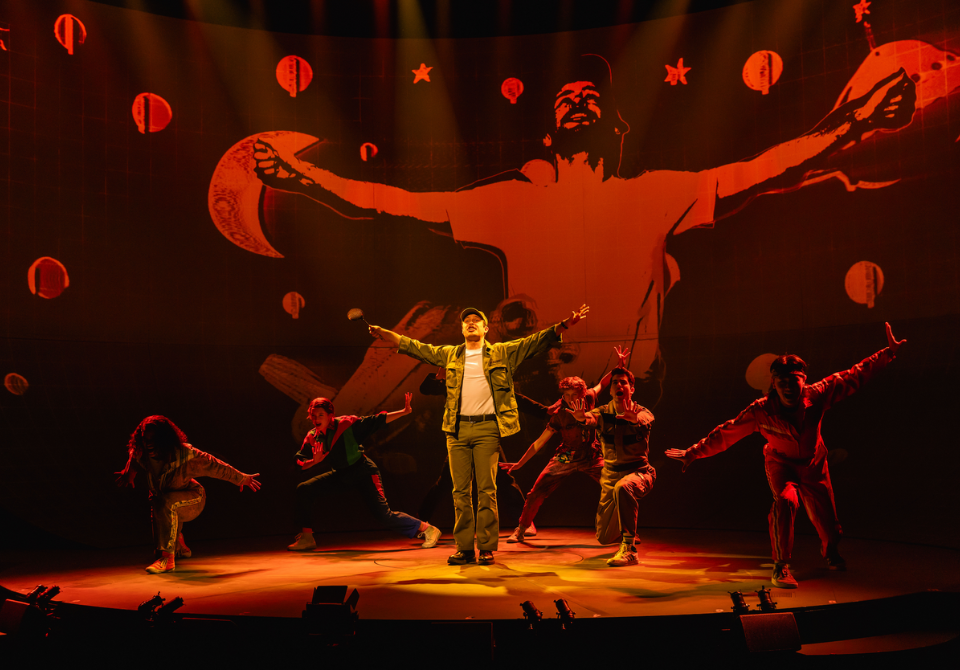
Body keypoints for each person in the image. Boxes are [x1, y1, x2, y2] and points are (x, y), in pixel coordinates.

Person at [251, 54, 916, 390]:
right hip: (538, 385)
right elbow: (389, 202)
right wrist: (305, 179)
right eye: (566, 97)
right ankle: (354, 411)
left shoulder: (655, 193)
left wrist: (855, 123)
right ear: (550, 130)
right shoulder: (511, 200)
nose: (577, 100)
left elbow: (759, 171)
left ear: (616, 128)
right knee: (433, 320)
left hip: (629, 385)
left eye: (591, 96)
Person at [665, 322, 906, 588]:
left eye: (794, 381)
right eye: (782, 382)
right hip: (781, 464)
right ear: (773, 383)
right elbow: (727, 432)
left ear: (804, 380)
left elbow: (853, 376)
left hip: (814, 464)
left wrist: (888, 353)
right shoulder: (761, 410)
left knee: (829, 523)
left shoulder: (818, 395)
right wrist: (693, 453)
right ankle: (781, 566)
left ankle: (830, 550)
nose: (789, 387)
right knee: (785, 501)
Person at [368, 304, 589, 565]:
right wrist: (386, 333)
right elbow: (414, 346)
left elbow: (534, 341)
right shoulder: (449, 354)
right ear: (462, 329)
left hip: (487, 429)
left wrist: (563, 325)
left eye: (476, 319)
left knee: (487, 490)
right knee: (460, 491)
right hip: (457, 430)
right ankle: (464, 548)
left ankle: (485, 547)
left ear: (486, 328)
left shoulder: (502, 352)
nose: (471, 322)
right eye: (467, 320)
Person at [500, 345, 630, 543]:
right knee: (535, 493)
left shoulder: (590, 397)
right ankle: (521, 529)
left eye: (573, 395)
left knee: (618, 488)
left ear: (582, 393)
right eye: (566, 395)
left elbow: (603, 383)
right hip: (565, 457)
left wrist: (619, 367)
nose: (569, 399)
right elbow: (539, 442)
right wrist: (519, 463)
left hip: (591, 456)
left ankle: (627, 532)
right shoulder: (559, 412)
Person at [288, 392, 441, 551]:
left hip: (363, 472)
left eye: (321, 415)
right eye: (313, 416)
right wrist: (314, 461)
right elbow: (299, 462)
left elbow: (375, 421)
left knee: (383, 515)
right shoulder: (312, 437)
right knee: (304, 489)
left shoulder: (345, 424)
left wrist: (404, 412)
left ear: (330, 415)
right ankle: (307, 537)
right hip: (341, 475)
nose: (316, 419)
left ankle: (427, 529)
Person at [115, 415, 262, 574]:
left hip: (193, 498)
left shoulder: (185, 454)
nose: (148, 444)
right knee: (159, 504)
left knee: (165, 504)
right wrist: (128, 475)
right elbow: (133, 462)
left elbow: (215, 465)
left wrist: (241, 479)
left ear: (164, 439)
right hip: (164, 500)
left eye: (153, 440)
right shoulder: (140, 453)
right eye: (145, 439)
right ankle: (178, 543)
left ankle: (167, 559)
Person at [416, 368, 542, 537]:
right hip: (462, 439)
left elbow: (515, 398)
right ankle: (420, 523)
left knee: (503, 480)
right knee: (446, 481)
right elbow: (426, 389)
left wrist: (544, 411)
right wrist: (439, 376)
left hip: (486, 437)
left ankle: (524, 523)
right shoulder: (454, 383)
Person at [567, 365, 656, 566]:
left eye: (623, 382)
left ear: (631, 389)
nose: (619, 385)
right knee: (604, 537)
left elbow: (645, 420)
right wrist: (581, 418)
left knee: (623, 488)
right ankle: (627, 528)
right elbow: (590, 418)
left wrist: (633, 419)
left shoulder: (642, 412)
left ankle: (629, 548)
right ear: (610, 389)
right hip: (610, 476)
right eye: (615, 382)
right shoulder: (603, 412)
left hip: (639, 473)